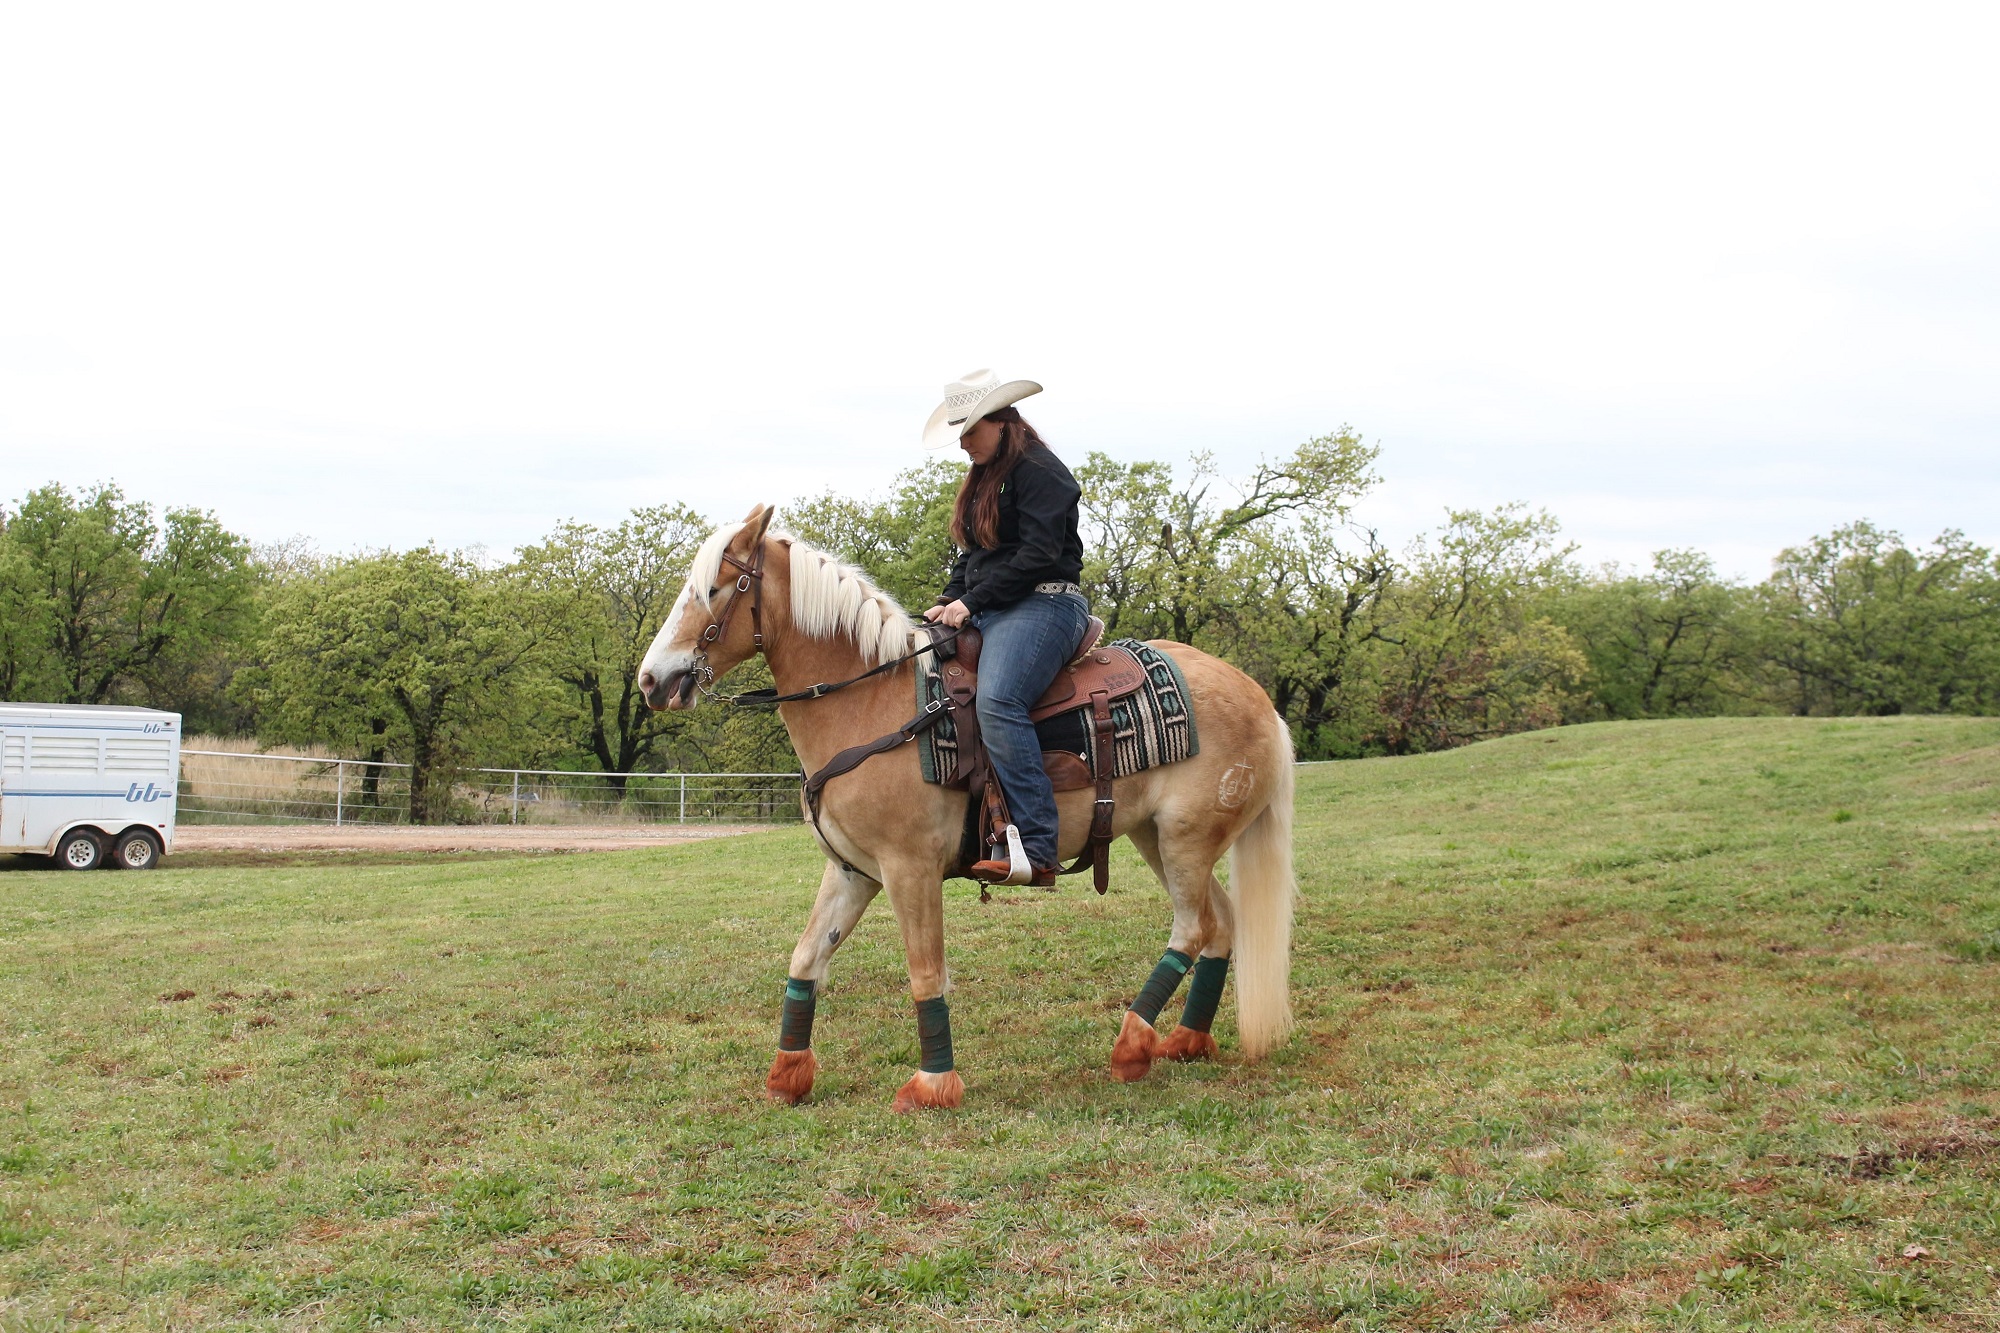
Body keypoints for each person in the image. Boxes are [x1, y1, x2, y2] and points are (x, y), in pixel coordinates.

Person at [921, 370, 1090, 887]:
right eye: (960, 434)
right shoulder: (984, 474)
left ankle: (1038, 845)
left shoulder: (1042, 471)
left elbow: (1039, 556)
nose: (965, 443)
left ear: (1002, 420)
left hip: (1045, 605)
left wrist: (971, 602)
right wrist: (950, 597)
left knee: (997, 701)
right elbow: (974, 555)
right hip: (994, 604)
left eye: (971, 431)